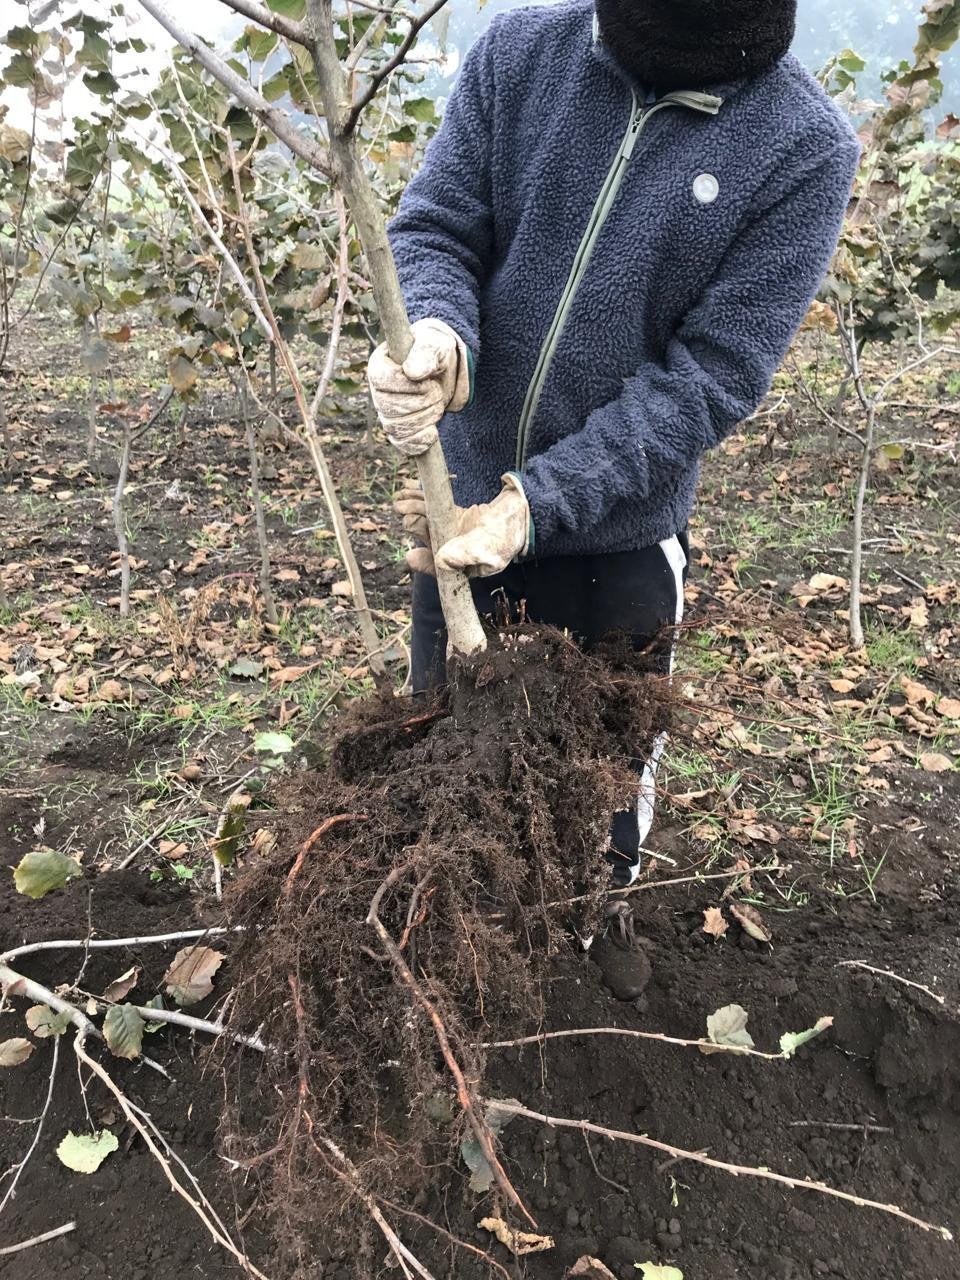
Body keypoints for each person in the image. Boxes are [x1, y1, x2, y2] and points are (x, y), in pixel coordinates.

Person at [367, 0, 860, 989]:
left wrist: (538, 503)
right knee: (443, 749)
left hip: (621, 535)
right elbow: (435, 225)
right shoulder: (523, 54)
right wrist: (436, 334)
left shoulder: (805, 147)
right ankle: (453, 938)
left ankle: (596, 928)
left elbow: (709, 378)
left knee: (602, 781)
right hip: (460, 510)